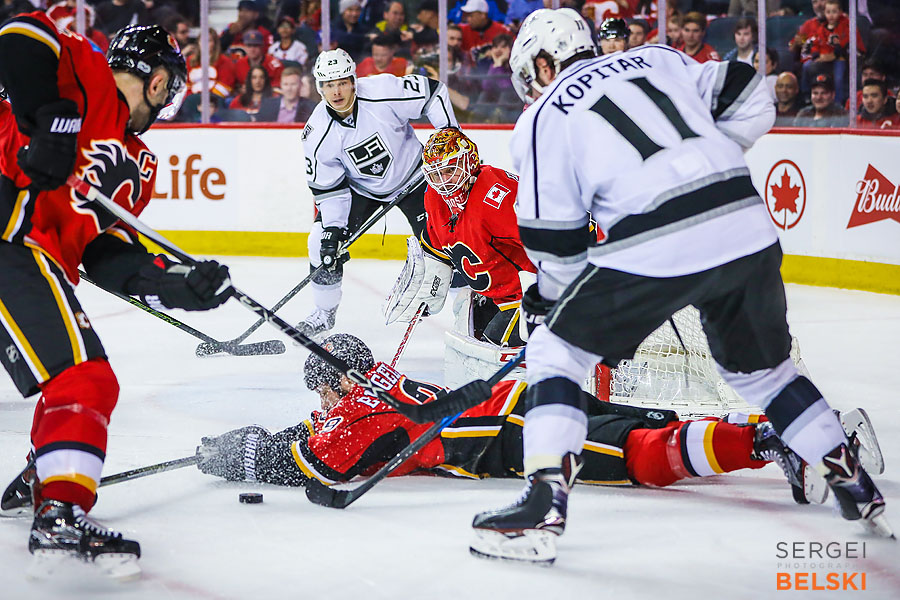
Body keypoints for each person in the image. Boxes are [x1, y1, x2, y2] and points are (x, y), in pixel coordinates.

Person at [473, 7, 890, 564]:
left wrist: (556, 298)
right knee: (765, 372)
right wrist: (701, 160)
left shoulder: (544, 116)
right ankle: (853, 484)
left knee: (556, 350)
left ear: (545, 64)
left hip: (655, 239)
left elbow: (555, 238)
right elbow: (749, 88)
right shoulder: (658, 59)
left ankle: (543, 509)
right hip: (744, 219)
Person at [0, 19, 231, 577]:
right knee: (86, 379)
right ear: (157, 82)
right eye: (170, 88)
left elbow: (106, 255)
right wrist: (54, 124)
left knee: (76, 379)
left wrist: (175, 285)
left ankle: (46, 473)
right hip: (9, 237)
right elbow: (16, 36)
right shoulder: (87, 77)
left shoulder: (140, 168)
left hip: (34, 257)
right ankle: (59, 508)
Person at [196, 334, 822, 509]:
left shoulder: (358, 405)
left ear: (337, 380)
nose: (326, 402)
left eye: (323, 391)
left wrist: (248, 452)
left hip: (512, 433)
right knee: (651, 420)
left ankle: (765, 444)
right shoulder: (380, 383)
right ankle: (777, 427)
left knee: (639, 455)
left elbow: (322, 462)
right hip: (522, 391)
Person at [297, 49, 458, 337]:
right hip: (363, 190)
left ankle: (471, 309)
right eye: (329, 85)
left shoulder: (383, 90)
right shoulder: (316, 133)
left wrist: (448, 136)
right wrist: (333, 230)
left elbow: (434, 93)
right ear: (319, 88)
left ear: (354, 80)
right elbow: (330, 189)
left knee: (450, 242)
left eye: (343, 82)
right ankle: (324, 313)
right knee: (318, 242)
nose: (337, 91)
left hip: (416, 177)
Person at [386, 129, 534, 346]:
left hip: (532, 296)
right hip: (497, 296)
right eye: (435, 174)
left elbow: (552, 238)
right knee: (469, 335)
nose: (443, 182)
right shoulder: (435, 197)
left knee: (492, 348)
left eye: (449, 170)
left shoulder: (497, 195)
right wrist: (429, 285)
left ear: (469, 162)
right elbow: (438, 249)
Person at [184, 28, 237, 98]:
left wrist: (206, 98)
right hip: (192, 100)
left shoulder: (224, 61)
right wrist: (192, 98)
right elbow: (185, 84)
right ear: (198, 42)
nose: (204, 44)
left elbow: (226, 87)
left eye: (208, 41)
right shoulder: (190, 60)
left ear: (215, 43)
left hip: (215, 101)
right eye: (202, 40)